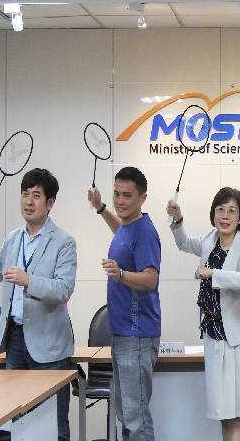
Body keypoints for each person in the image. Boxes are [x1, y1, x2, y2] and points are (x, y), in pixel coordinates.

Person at [0, 168, 77, 441]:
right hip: (15, 340)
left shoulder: (64, 241)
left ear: (50, 202)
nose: (28, 201)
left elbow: (64, 289)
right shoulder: (13, 238)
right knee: (14, 421)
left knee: (53, 423)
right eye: (25, 194)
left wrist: (29, 280)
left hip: (49, 346)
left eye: (36, 195)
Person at [166, 187, 240, 440]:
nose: (225, 216)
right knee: (223, 413)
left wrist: (212, 273)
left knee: (237, 414)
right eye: (220, 210)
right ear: (213, 214)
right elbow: (184, 243)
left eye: (232, 211)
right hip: (213, 336)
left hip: (237, 341)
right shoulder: (209, 239)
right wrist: (177, 218)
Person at [88, 166, 161, 441]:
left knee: (136, 419)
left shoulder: (145, 232)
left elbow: (151, 279)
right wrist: (101, 208)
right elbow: (121, 232)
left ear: (143, 198)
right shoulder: (129, 227)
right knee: (126, 415)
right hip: (123, 334)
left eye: (127, 196)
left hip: (137, 335)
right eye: (116, 194)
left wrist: (120, 274)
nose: (119, 201)